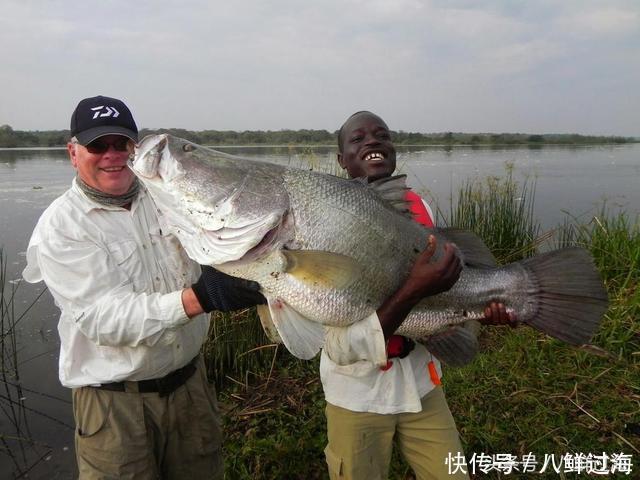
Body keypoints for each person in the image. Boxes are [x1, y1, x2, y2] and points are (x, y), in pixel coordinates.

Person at [22, 95, 265, 479]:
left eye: (122, 144)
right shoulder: (61, 227)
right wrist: (199, 298)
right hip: (114, 406)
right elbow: (103, 319)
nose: (112, 155)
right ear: (73, 152)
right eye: (97, 145)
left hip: (190, 387)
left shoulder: (169, 197)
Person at [320, 111, 516, 479]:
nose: (373, 142)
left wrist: (483, 307)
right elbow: (337, 336)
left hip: (422, 382)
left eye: (382, 135)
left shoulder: (416, 205)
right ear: (341, 160)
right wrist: (414, 290)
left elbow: (448, 279)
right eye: (358, 140)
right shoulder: (327, 216)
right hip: (358, 393)